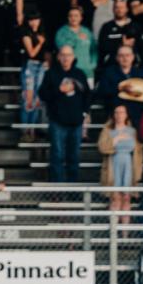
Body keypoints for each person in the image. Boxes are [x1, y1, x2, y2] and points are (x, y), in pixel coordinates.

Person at [40, 43, 90, 184]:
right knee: (57, 156)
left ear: (73, 57)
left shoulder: (79, 74)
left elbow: (88, 95)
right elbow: (43, 94)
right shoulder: (51, 74)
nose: (66, 58)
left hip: (76, 123)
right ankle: (57, 190)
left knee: (74, 157)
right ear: (58, 57)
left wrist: (84, 113)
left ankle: (72, 189)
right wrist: (59, 90)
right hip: (57, 122)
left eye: (68, 55)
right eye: (63, 55)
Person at [98, 104, 141, 212]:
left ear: (126, 115)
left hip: (128, 165)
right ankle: (114, 227)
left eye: (122, 112)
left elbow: (138, 151)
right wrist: (116, 139)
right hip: (113, 164)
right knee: (115, 198)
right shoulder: (107, 131)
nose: (119, 115)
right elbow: (102, 147)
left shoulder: (132, 131)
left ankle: (124, 229)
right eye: (116, 112)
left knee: (126, 198)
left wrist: (138, 169)